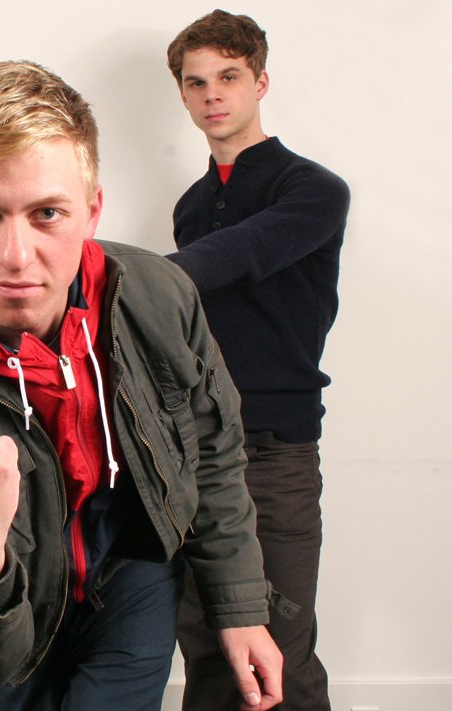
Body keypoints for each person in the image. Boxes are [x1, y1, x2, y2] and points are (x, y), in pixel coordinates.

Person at [0, 60, 284, 711]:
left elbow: (213, 453)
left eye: (47, 213)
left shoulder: (160, 296)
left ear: (92, 210)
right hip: (17, 594)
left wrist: (240, 606)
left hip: (133, 568)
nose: (16, 256)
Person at [166, 10, 350, 711]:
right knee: (208, 646)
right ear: (183, 96)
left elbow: (242, 252)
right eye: (197, 82)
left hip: (276, 452)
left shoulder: (313, 189)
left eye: (229, 77)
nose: (213, 94)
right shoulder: (191, 206)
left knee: (281, 653)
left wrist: (121, 275)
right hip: (198, 449)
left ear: (260, 83)